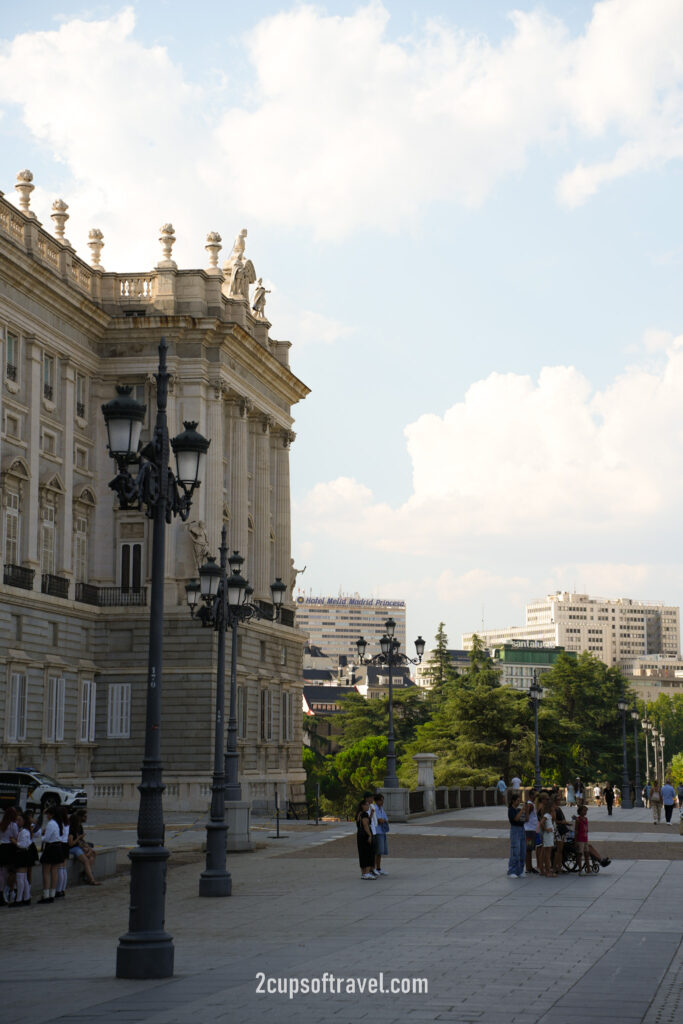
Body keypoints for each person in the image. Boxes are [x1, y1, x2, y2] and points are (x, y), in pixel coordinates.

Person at [68, 809, 100, 885]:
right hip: (73, 848)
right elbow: (71, 844)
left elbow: (81, 841)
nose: (86, 818)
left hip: (78, 846)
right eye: (85, 816)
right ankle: (91, 880)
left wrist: (88, 848)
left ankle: (85, 874)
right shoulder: (72, 828)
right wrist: (80, 839)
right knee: (85, 860)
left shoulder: (80, 827)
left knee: (93, 854)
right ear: (80, 817)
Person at [38, 806, 62, 904]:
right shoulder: (57, 823)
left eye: (48, 814)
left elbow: (46, 839)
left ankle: (46, 894)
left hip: (51, 847)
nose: (47, 815)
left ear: (51, 814)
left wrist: (42, 835)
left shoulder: (51, 824)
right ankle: (52, 893)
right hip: (57, 847)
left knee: (46, 872)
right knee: (54, 871)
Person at [9, 811, 31, 907]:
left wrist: (15, 842)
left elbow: (23, 844)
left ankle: (19, 899)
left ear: (24, 821)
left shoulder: (24, 832)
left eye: (20, 820)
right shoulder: (24, 831)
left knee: (20, 877)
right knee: (23, 877)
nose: (18, 822)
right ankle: (26, 897)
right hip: (23, 854)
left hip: (22, 854)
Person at [0, 806, 19, 904]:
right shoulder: (13, 825)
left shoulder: (2, 824)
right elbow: (16, 836)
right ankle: (9, 891)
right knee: (11, 872)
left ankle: (1, 892)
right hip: (10, 848)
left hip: (2, 847)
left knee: (2, 872)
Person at [355, 798, 376, 880]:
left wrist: (371, 815)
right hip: (365, 835)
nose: (368, 806)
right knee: (367, 852)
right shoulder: (364, 814)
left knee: (362, 853)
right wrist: (370, 835)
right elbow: (365, 824)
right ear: (362, 806)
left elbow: (365, 822)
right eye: (366, 805)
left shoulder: (358, 814)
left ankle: (363, 872)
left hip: (359, 834)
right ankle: (367, 872)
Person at [507, 793, 526, 877]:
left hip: (522, 829)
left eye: (519, 800)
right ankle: (512, 870)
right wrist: (522, 811)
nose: (519, 802)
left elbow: (525, 819)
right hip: (515, 830)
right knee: (515, 851)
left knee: (522, 851)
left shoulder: (519, 810)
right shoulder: (511, 810)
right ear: (513, 801)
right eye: (517, 800)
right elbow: (516, 819)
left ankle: (520, 870)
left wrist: (526, 811)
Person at [523, 788, 539, 875]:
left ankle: (529, 866)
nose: (536, 796)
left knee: (529, 849)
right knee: (528, 849)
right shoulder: (530, 805)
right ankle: (528, 867)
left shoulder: (531, 804)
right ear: (531, 796)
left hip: (531, 829)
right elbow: (526, 816)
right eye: (535, 794)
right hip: (529, 830)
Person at [552, 794, 568, 874]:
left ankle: (559, 866)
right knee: (558, 850)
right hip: (558, 830)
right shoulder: (554, 809)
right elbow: (554, 820)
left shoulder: (559, 808)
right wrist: (563, 822)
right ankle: (555, 867)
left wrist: (566, 823)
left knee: (560, 850)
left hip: (562, 829)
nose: (559, 801)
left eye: (559, 799)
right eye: (557, 800)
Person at [539, 799, 555, 877]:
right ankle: (547, 871)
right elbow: (541, 823)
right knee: (547, 854)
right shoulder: (547, 815)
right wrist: (546, 829)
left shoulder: (549, 816)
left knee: (547, 853)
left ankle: (544, 869)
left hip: (549, 835)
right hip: (547, 835)